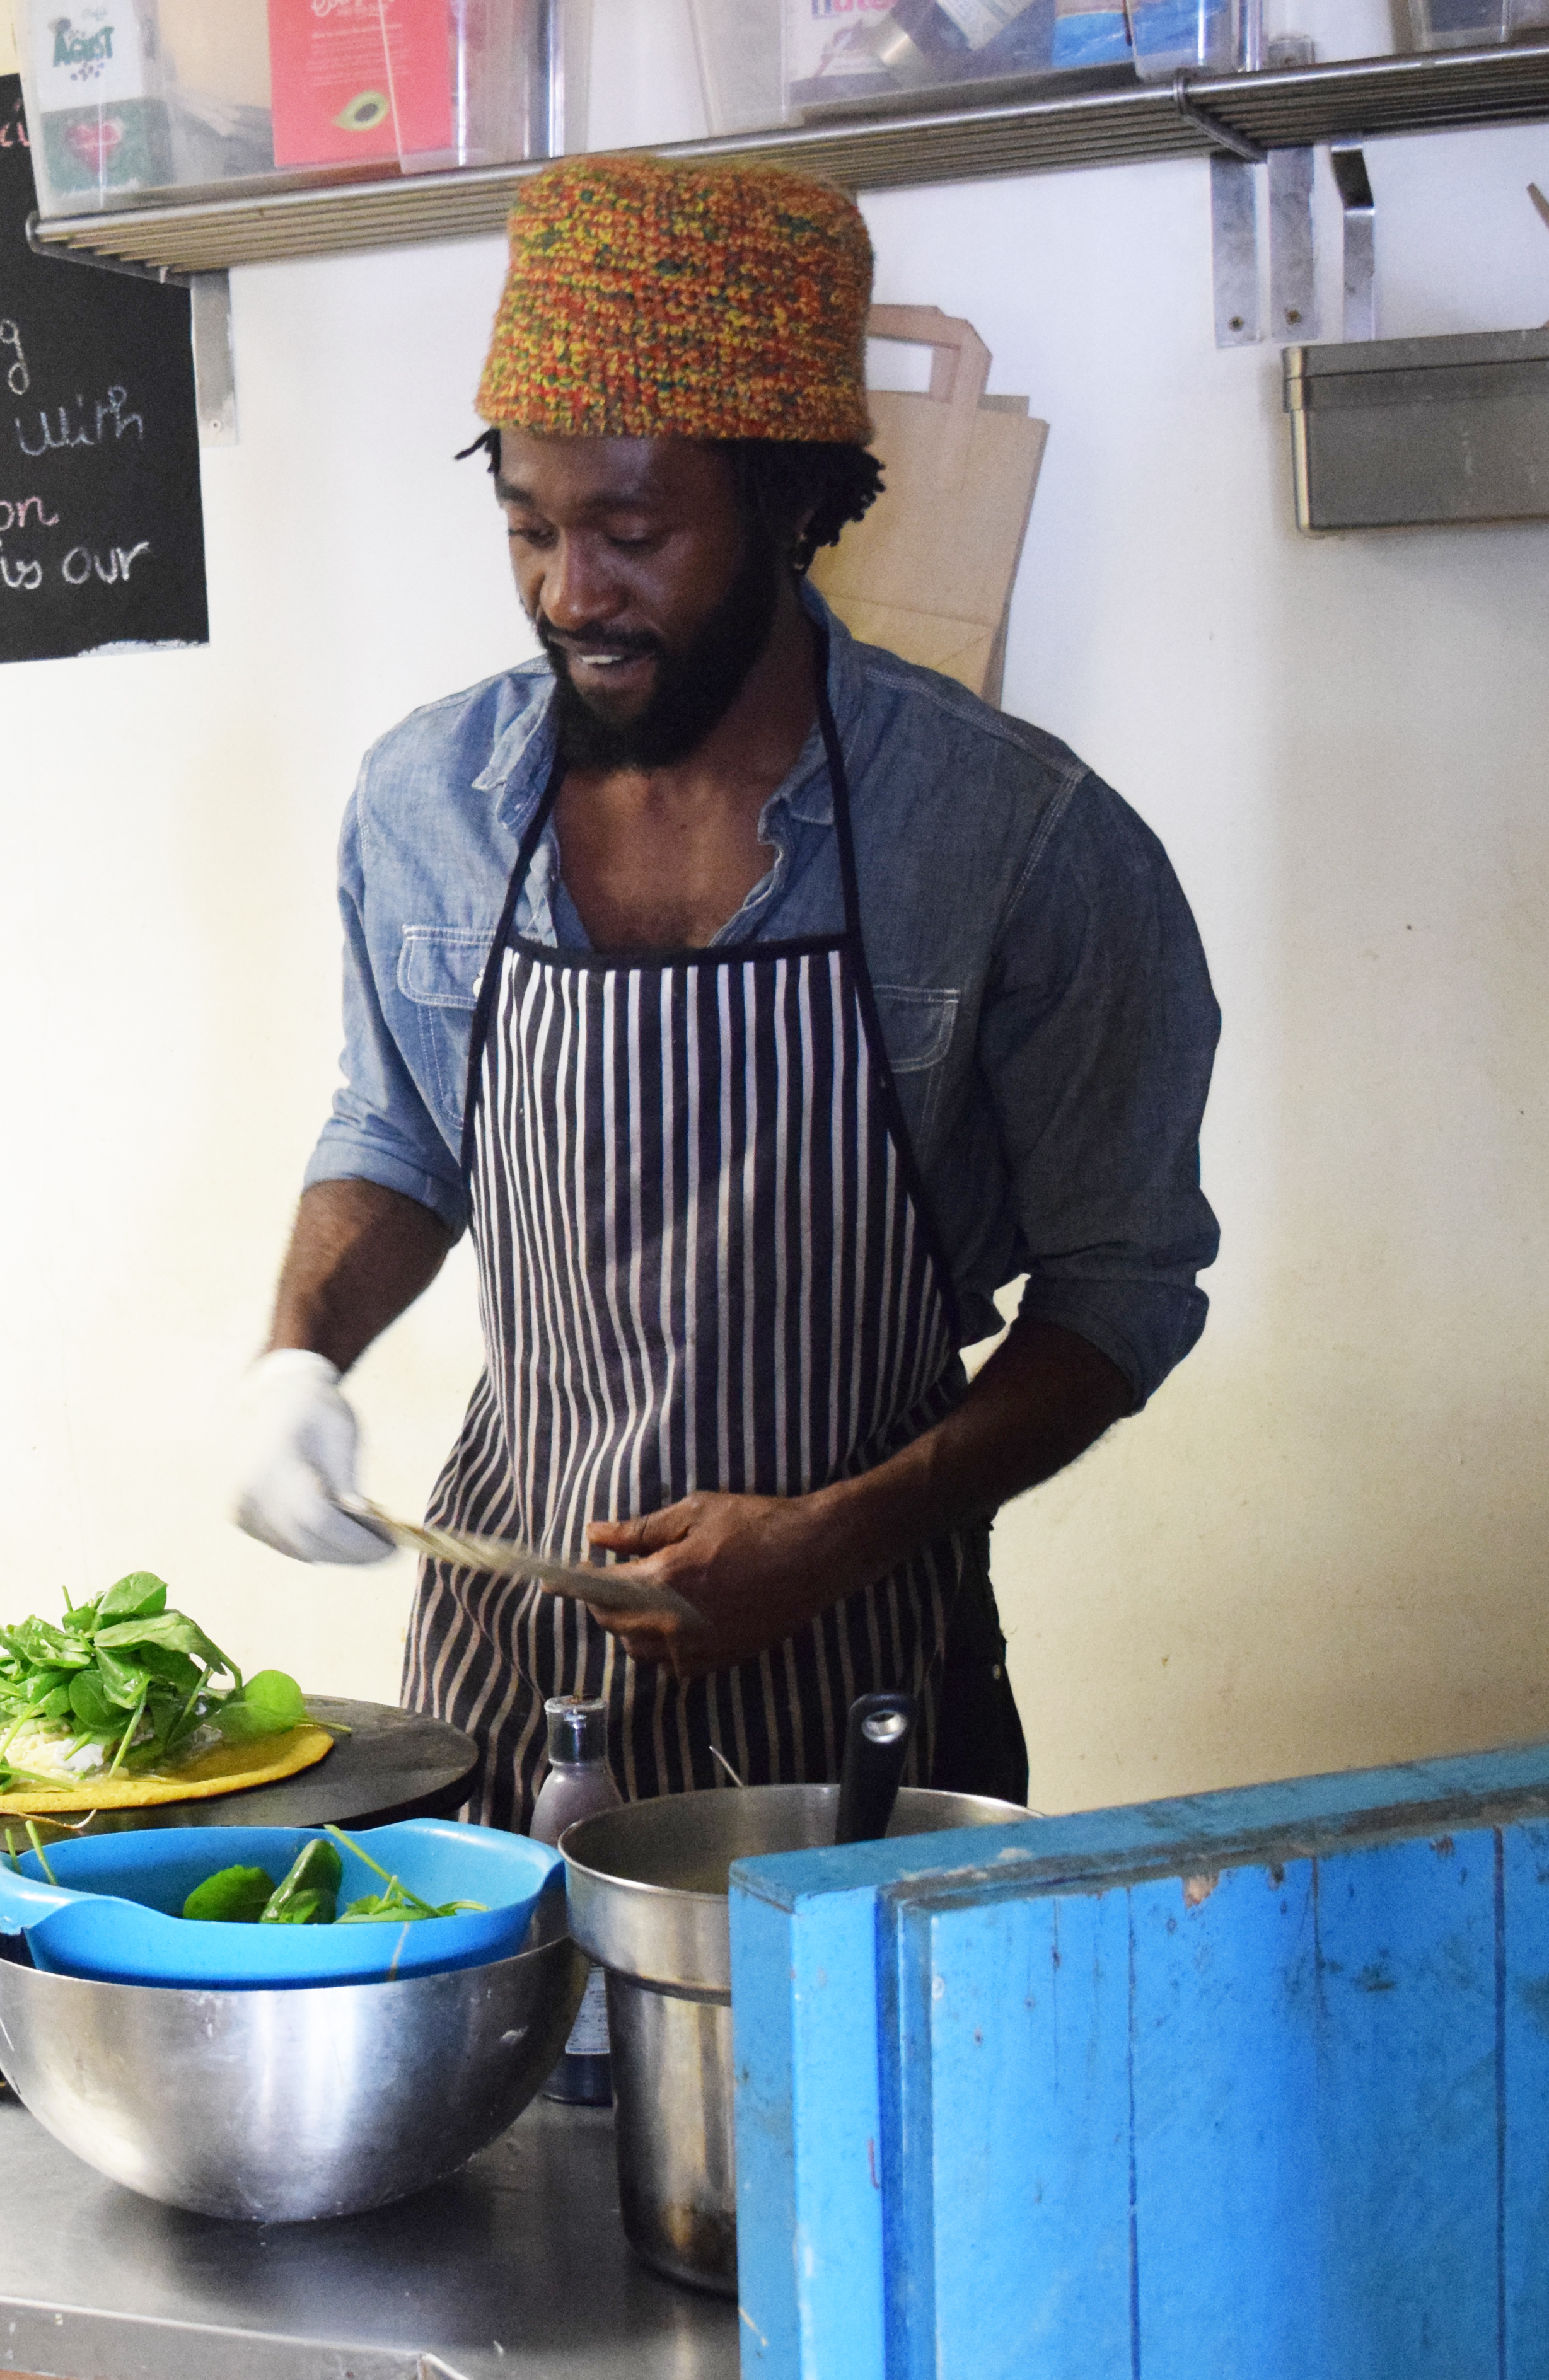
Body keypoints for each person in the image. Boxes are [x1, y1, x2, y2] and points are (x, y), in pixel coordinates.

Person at [231, 157, 1219, 1825]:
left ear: (787, 503)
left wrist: (854, 1526)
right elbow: (398, 1135)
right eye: (531, 529)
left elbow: (1122, 1290)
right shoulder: (430, 803)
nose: (569, 593)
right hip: (510, 1681)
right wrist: (295, 1362)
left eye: (634, 533)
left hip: (865, 1690)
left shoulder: (1015, 839)